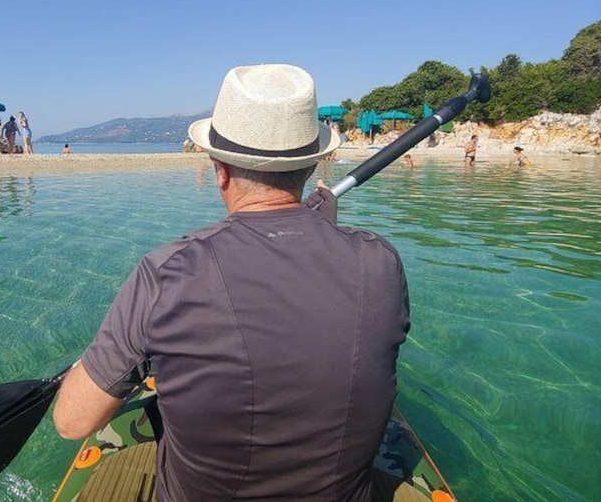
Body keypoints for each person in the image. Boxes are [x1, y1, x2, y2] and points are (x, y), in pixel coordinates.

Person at [54, 64, 410, 501]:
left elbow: (72, 422)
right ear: (311, 163)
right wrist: (329, 232)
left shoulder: (167, 272)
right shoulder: (380, 261)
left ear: (219, 170)